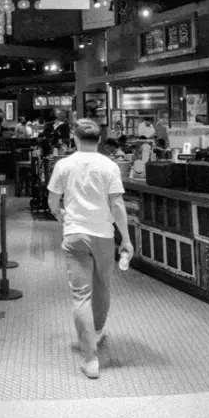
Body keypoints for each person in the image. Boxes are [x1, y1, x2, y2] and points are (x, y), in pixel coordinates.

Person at [48, 119, 133, 380]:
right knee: (103, 287)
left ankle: (90, 359)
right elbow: (117, 205)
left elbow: (52, 200)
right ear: (100, 139)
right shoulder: (109, 165)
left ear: (74, 138)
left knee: (81, 296)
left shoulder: (64, 164)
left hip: (75, 235)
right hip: (103, 236)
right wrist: (126, 239)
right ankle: (96, 331)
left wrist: (61, 216)